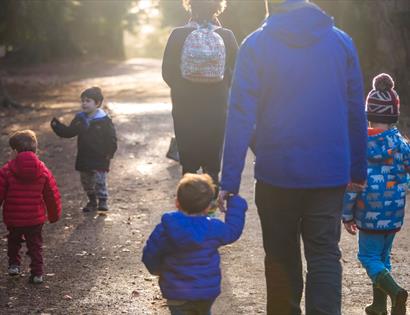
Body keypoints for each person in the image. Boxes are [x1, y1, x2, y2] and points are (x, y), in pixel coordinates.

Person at [219, 0, 368, 314]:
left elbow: (240, 114)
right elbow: (355, 111)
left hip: (277, 173)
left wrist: (229, 181)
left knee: (280, 255)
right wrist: (358, 170)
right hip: (329, 174)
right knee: (324, 253)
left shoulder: (255, 45)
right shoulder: (341, 42)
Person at [343, 73, 408, 315]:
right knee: (383, 256)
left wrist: (347, 215)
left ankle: (395, 291)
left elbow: (353, 185)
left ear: (368, 114)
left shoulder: (359, 146)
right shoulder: (401, 144)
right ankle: (379, 305)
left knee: (367, 256)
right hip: (394, 215)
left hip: (369, 215)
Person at [142, 173, 247, 315]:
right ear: (208, 207)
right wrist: (235, 202)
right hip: (206, 292)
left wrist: (157, 270)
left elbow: (151, 254)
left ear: (177, 202)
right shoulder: (213, 228)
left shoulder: (167, 227)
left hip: (176, 292)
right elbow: (232, 231)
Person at [162, 0, 238, 189]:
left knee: (188, 162)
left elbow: (167, 72)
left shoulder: (178, 35)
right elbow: (237, 72)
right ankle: (209, 209)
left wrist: (182, 87)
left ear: (190, 6)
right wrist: (221, 87)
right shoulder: (226, 36)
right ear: (217, 9)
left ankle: (189, 207)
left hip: (185, 104)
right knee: (212, 162)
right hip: (216, 105)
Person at [0, 130, 62, 284]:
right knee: (35, 245)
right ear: (35, 149)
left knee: (13, 240)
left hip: (14, 218)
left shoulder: (6, 170)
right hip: (35, 218)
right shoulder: (43, 170)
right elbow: (51, 194)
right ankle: (37, 273)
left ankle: (14, 265)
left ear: (14, 151)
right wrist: (53, 215)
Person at [50, 87, 117, 212]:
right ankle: (92, 201)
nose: (84, 103)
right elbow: (69, 132)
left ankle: (102, 200)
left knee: (99, 180)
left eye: (88, 101)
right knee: (86, 181)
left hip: (100, 156)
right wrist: (57, 126)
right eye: (83, 101)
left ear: (97, 103)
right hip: (84, 156)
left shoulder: (104, 121)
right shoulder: (80, 119)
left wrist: (110, 152)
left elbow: (111, 138)